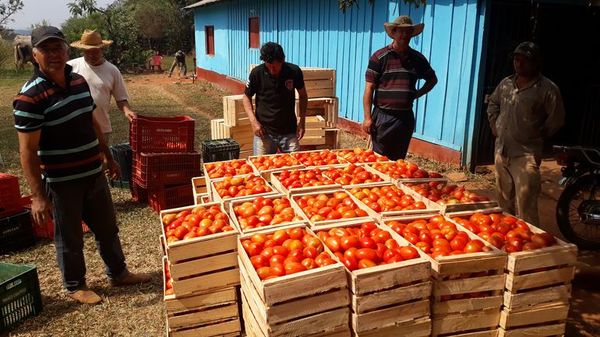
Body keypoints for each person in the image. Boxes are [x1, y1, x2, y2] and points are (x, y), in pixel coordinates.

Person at [13, 26, 150, 305]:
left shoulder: (77, 82)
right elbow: (27, 152)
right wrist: (38, 196)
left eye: (58, 48)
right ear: (35, 55)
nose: (54, 54)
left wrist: (108, 156)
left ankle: (118, 272)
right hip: (63, 181)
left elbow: (92, 122)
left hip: (93, 172)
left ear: (66, 50)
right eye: (46, 50)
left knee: (108, 227)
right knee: (71, 236)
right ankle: (76, 285)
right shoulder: (29, 97)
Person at [487, 41, 565, 226]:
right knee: (504, 200)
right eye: (516, 59)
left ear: (536, 63)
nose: (519, 64)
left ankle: (529, 244)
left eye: (524, 60)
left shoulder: (547, 89)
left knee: (526, 204)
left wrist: (536, 135)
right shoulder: (506, 83)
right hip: (501, 151)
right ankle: (506, 237)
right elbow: (493, 103)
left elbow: (557, 119)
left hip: (525, 155)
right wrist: (495, 126)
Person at [362, 15, 438, 160]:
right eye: (400, 31)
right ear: (394, 32)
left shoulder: (418, 59)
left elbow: (432, 80)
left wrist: (417, 94)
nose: (404, 35)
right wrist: (367, 118)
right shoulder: (379, 57)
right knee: (380, 159)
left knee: (399, 159)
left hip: (405, 117)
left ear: (411, 34)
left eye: (408, 31)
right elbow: (369, 88)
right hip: (384, 116)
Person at [67, 29, 136, 145]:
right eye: (87, 51)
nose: (91, 55)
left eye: (95, 51)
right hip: (74, 128)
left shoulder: (112, 70)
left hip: (101, 127)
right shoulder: (70, 67)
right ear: (82, 50)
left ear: (102, 49)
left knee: (101, 160)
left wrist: (127, 111)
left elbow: (121, 99)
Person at [243, 42, 308, 155]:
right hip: (264, 132)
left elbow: (303, 95)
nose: (272, 70)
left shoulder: (294, 71)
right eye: (269, 66)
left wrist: (302, 122)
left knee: (295, 168)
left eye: (275, 66)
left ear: (282, 60)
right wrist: (254, 122)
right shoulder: (256, 73)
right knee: (262, 169)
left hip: (289, 131)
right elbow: (246, 97)